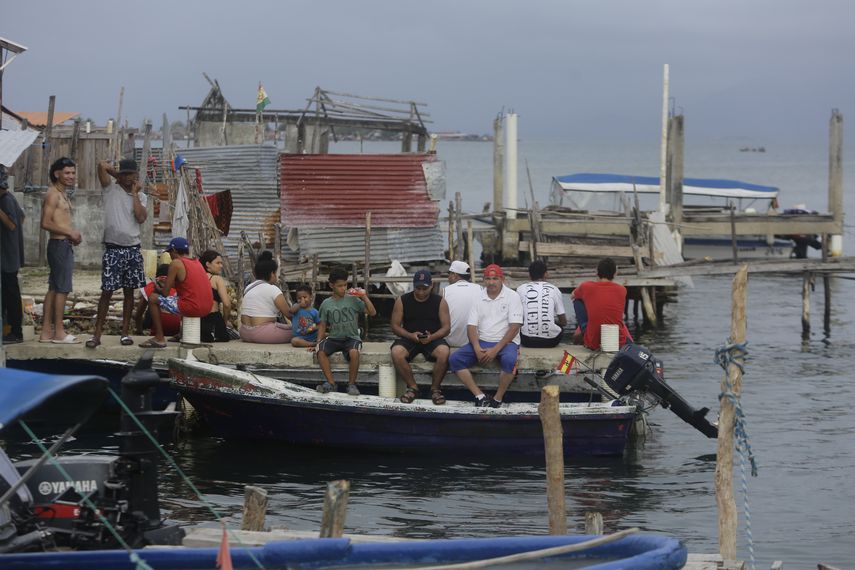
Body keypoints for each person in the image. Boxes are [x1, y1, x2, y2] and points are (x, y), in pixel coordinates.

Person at [86, 159, 148, 348]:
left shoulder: (141, 196)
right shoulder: (110, 189)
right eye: (126, 174)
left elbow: (141, 217)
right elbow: (101, 165)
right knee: (107, 291)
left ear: (136, 176)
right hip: (113, 248)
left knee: (129, 293)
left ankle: (124, 333)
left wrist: (135, 193)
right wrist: (120, 177)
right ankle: (97, 335)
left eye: (132, 175)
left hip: (132, 249)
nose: (129, 178)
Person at [448, 264, 523, 408]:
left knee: (510, 361)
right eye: (488, 279)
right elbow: (471, 326)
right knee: (454, 359)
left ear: (502, 279)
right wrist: (476, 348)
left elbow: (514, 327)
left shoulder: (513, 296)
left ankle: (498, 398)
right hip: (482, 341)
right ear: (484, 280)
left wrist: (495, 350)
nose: (491, 282)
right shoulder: (478, 296)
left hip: (507, 343)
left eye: (495, 278)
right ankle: (479, 395)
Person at [390, 270, 451, 405]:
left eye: (425, 288)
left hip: (432, 338)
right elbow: (394, 326)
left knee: (444, 352)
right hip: (409, 337)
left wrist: (432, 337)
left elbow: (446, 327)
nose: (421, 292)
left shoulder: (440, 301)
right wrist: (410, 335)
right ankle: (413, 387)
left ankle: (435, 389)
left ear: (431, 286)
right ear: (413, 285)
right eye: (418, 288)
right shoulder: (402, 300)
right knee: (396, 352)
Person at [140, 237, 213, 348]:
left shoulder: (176, 263)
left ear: (174, 251)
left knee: (153, 298)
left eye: (170, 253)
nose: (170, 256)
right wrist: (171, 283)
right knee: (181, 295)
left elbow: (165, 293)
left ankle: (159, 337)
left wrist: (159, 286)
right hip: (207, 307)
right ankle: (182, 333)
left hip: (192, 307)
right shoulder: (197, 262)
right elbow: (187, 284)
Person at [39, 157, 82, 344]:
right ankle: (59, 333)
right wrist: (70, 232)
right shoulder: (53, 194)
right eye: (67, 173)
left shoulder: (62, 194)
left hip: (62, 245)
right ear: (57, 174)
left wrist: (70, 235)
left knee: (54, 288)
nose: (71, 176)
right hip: (59, 246)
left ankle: (46, 331)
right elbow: (45, 223)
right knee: (62, 289)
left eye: (73, 172)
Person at [316, 267, 377, 395]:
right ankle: (331, 383)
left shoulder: (353, 299)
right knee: (320, 351)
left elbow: (372, 312)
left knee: (354, 352)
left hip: (352, 338)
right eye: (339, 286)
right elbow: (322, 325)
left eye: (345, 285)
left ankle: (351, 384)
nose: (343, 288)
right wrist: (318, 342)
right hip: (334, 338)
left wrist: (364, 296)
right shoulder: (326, 304)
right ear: (331, 285)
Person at [570, 257, 633, 350]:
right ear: (615, 273)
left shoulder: (586, 286)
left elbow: (572, 296)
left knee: (577, 300)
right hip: (615, 341)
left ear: (597, 272)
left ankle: (583, 327)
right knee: (615, 317)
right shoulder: (622, 290)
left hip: (593, 342)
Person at [239, 251, 293, 344]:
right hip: (264, 334)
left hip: (244, 332)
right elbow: (288, 314)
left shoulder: (248, 288)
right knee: (302, 332)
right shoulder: (273, 289)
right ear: (272, 274)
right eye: (276, 273)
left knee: (282, 326)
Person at [0, 166, 25, 344]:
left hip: (8, 257)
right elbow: (22, 216)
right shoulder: (9, 199)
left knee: (11, 295)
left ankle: (16, 332)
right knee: (6, 295)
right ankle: (8, 329)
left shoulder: (6, 200)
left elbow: (13, 225)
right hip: (7, 254)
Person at [516, 260, 567, 348]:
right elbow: (564, 322)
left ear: (529, 275)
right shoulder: (554, 289)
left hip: (527, 340)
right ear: (546, 274)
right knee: (559, 327)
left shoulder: (520, 289)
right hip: (551, 341)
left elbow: (516, 319)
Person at [133, 264, 181, 338]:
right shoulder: (180, 286)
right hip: (179, 330)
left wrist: (139, 332)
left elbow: (138, 315)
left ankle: (158, 336)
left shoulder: (150, 287)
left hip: (157, 331)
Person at [443, 260, 482, 347]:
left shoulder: (446, 290)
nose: (448, 277)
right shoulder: (480, 289)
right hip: (476, 341)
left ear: (455, 275)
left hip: (451, 341)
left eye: (449, 273)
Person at [199, 249, 232, 342]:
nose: (221, 266)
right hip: (214, 321)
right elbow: (227, 304)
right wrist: (224, 321)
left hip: (198, 322)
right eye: (218, 263)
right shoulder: (217, 279)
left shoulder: (196, 277)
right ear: (208, 264)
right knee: (235, 335)